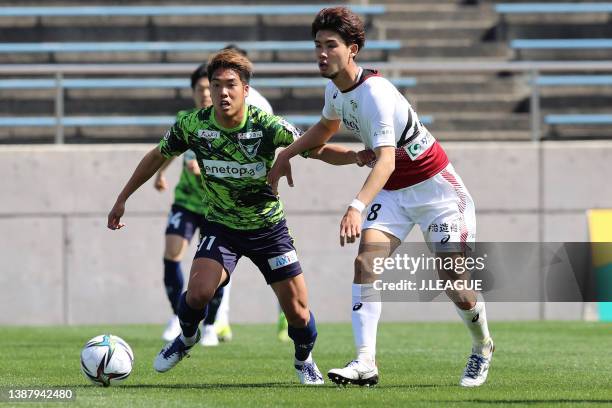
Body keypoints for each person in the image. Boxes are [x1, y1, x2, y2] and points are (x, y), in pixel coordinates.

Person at [107, 49, 366, 384]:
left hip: (268, 229)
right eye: (216, 85)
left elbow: (316, 149)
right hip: (221, 227)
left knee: (299, 314)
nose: (223, 92)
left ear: (246, 90)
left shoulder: (266, 126)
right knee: (198, 292)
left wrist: (357, 156)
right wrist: (122, 198)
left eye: (231, 85)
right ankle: (186, 338)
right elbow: (156, 156)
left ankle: (304, 360)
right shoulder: (193, 125)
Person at [268, 6, 494, 388]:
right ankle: (365, 362)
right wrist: (286, 154)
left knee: (454, 281)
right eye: (318, 45)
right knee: (366, 263)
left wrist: (356, 206)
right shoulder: (335, 90)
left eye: (331, 45)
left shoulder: (374, 93)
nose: (322, 53)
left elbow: (386, 161)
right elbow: (326, 127)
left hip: (437, 190)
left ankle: (482, 345)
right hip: (393, 193)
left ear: (352, 49)